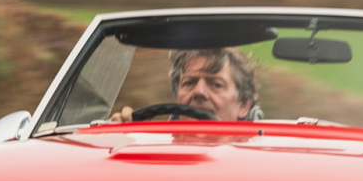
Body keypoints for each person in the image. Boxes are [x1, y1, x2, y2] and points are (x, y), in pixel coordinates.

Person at [110, 47, 262, 122]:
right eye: (189, 83)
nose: (199, 92)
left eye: (216, 84)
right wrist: (119, 141)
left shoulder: (259, 166)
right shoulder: (155, 150)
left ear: (243, 105)